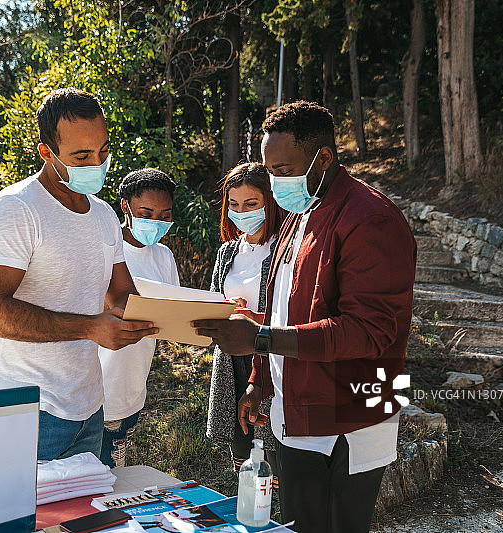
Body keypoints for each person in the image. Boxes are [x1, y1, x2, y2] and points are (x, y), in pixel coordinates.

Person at [193, 101, 416, 533]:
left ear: (325, 158)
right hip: (296, 411)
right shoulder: (301, 214)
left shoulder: (372, 218)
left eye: (282, 169)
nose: (274, 181)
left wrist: (261, 340)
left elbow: (371, 331)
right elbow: (283, 309)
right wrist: (260, 379)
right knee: (297, 525)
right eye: (269, 169)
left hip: (354, 415)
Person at [0, 88, 158, 462]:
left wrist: (185, 319)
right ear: (46, 153)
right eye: (82, 156)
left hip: (90, 407)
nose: (97, 164)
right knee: (32, 520)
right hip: (31, 410)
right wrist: (89, 327)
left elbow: (122, 297)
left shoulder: (105, 216)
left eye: (103, 151)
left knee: (86, 520)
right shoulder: (15, 211)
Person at [206, 162, 286, 481]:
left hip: (271, 359)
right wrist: (224, 309)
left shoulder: (284, 249)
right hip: (232, 363)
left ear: (271, 201)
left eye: (251, 204)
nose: (242, 212)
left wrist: (254, 316)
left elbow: (296, 313)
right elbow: (213, 301)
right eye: (234, 205)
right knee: (244, 460)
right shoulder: (228, 253)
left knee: (274, 454)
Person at [98, 168, 180, 468]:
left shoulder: (164, 256)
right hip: (98, 392)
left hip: (132, 387)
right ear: (125, 207)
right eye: (146, 212)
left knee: (117, 478)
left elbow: (172, 313)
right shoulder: (103, 249)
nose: (155, 223)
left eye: (164, 215)